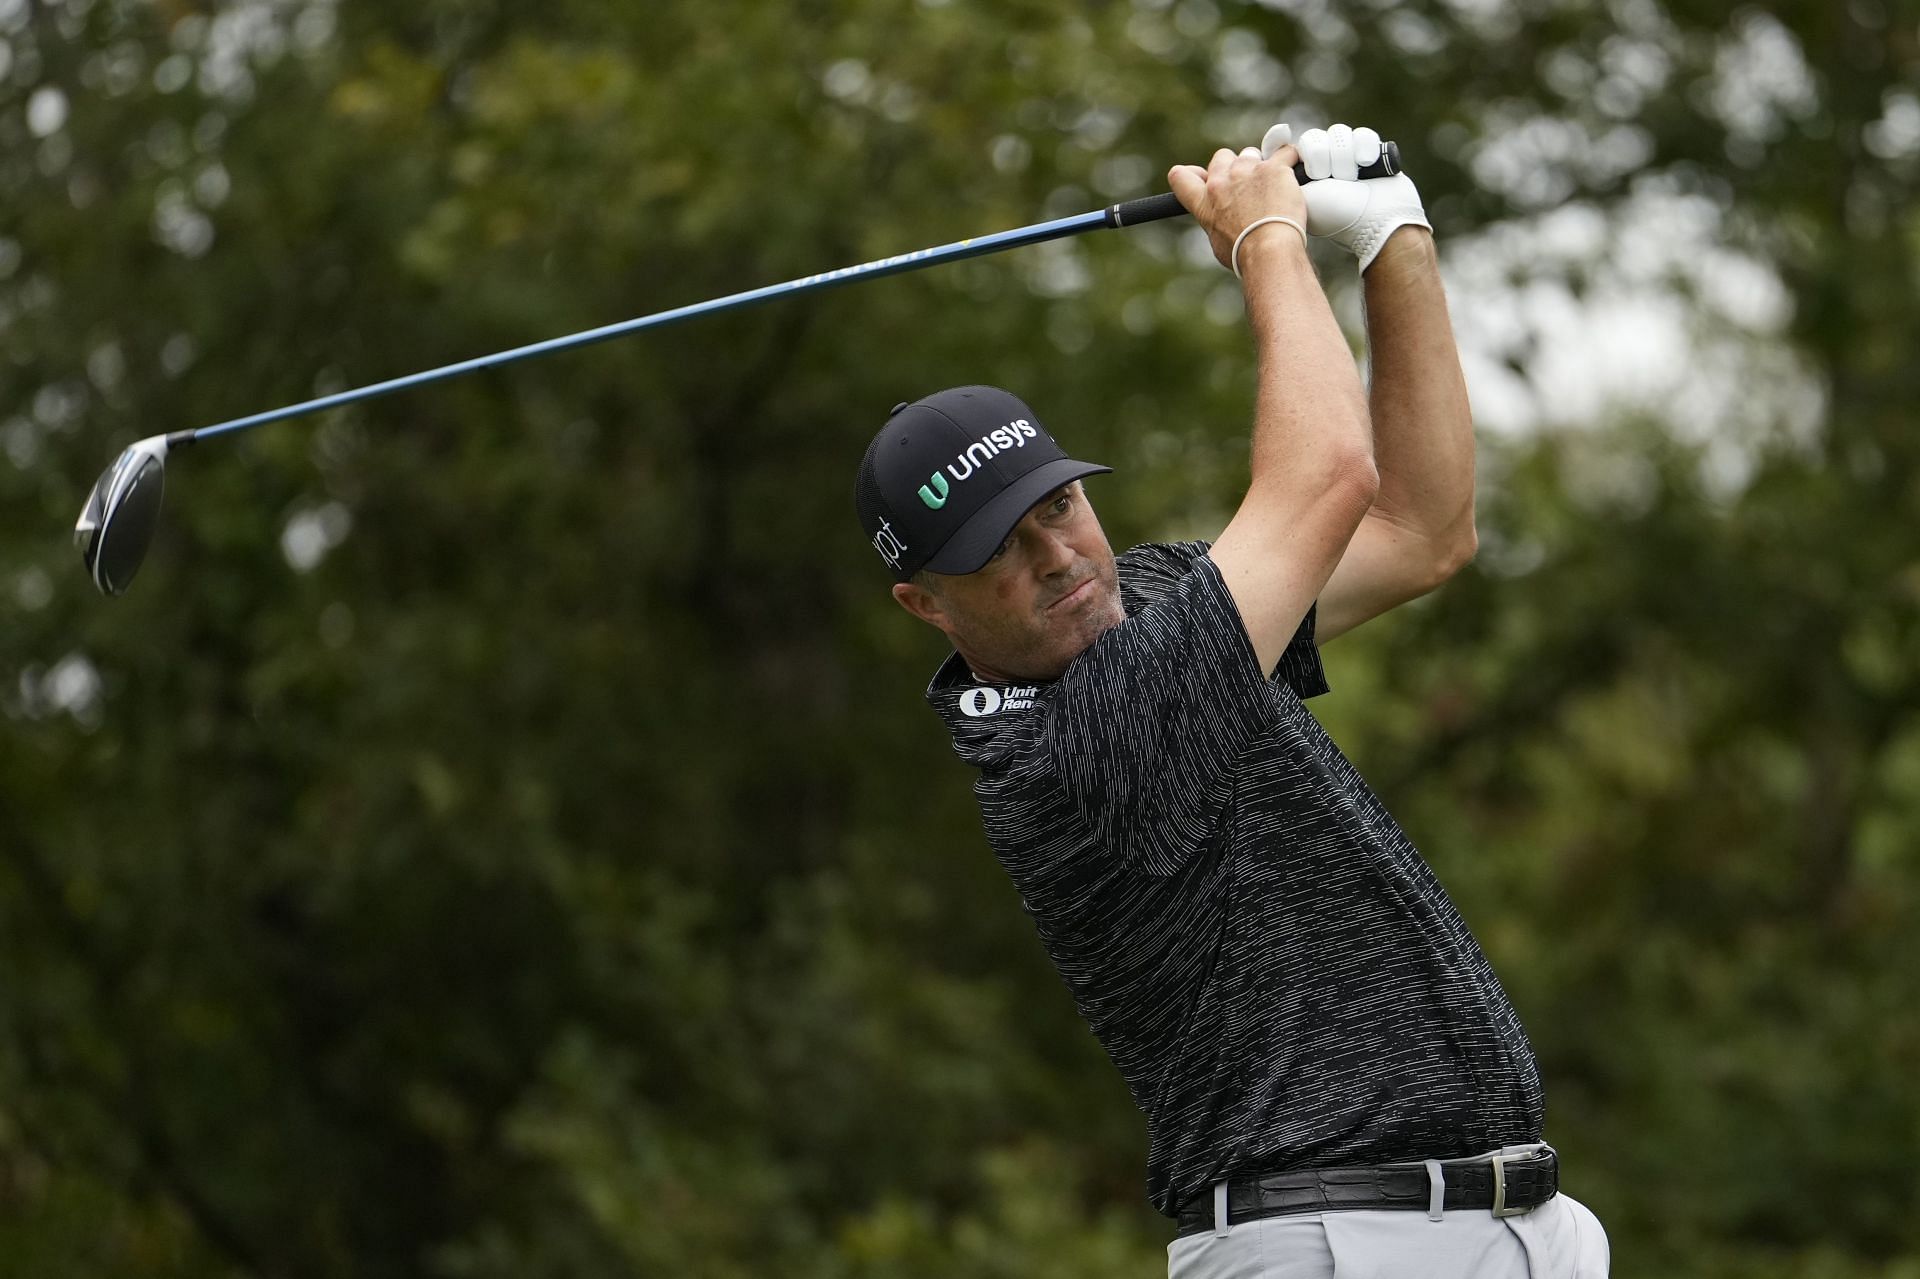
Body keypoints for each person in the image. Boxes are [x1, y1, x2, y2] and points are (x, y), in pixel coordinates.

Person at [852, 123, 1610, 1278]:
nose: (1058, 556)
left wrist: (1395, 242)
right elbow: (1326, 476)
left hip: (1509, 1223)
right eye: (996, 548)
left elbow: (1419, 531)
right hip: (1332, 1243)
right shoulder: (1074, 745)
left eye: (1058, 506)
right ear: (926, 605)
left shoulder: (1151, 599)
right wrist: (1266, 235)